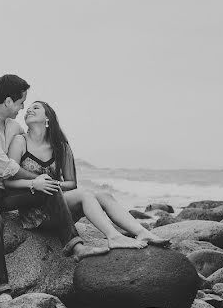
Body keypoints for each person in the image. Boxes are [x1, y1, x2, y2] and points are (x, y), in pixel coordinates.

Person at [0, 75, 108, 303]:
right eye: (20, 103)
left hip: (4, 192)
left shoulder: (13, 126)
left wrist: (43, 179)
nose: (22, 108)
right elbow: (5, 167)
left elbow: (29, 152)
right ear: (8, 102)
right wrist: (36, 179)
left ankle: (76, 247)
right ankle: (1, 290)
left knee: (49, 187)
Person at [10, 100, 170, 249]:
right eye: (28, 109)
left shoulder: (61, 147)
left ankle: (143, 232)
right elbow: (7, 181)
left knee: (104, 195)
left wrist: (52, 184)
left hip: (61, 209)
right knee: (85, 194)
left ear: (48, 118)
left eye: (36, 107)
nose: (29, 109)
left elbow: (71, 183)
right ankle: (113, 236)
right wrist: (35, 184)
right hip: (35, 213)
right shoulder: (20, 142)